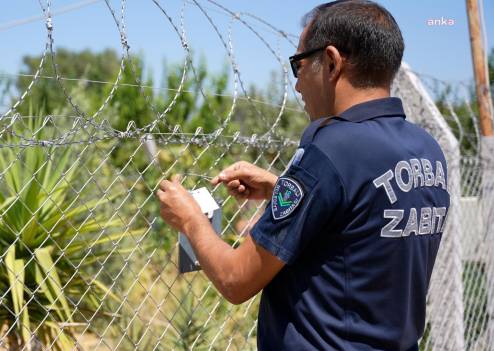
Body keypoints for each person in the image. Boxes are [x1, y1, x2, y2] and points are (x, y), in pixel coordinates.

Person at [155, 1, 450, 349]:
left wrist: (190, 218)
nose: (296, 86)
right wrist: (281, 187)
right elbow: (361, 219)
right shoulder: (426, 150)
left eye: (298, 65)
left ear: (331, 61)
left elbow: (236, 279)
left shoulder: (331, 150)